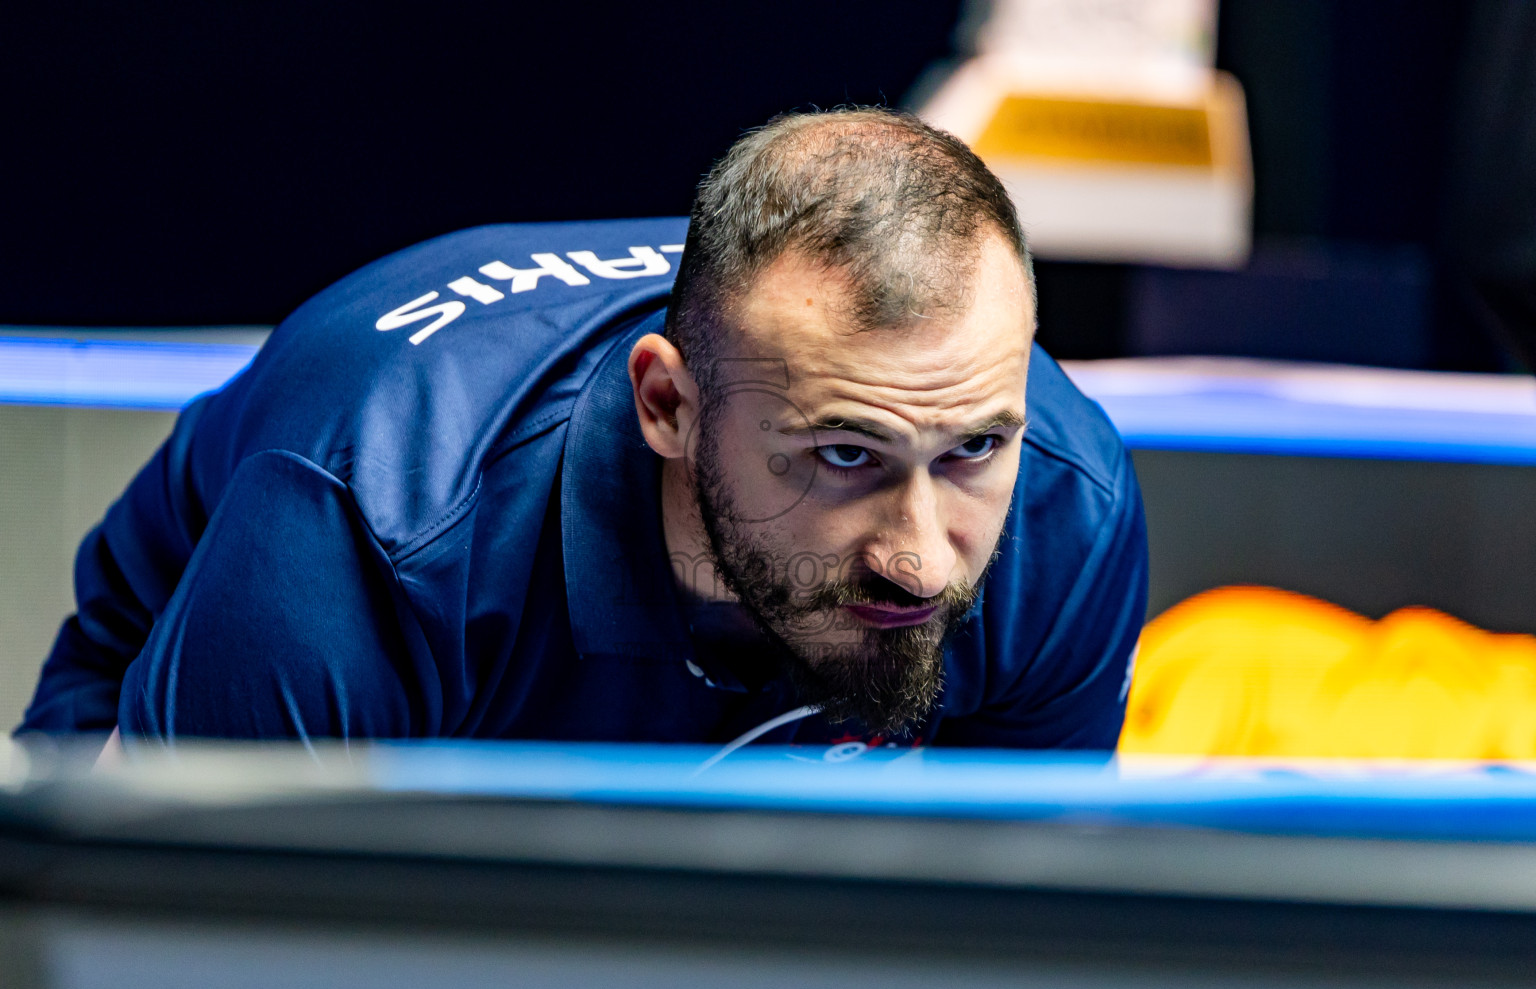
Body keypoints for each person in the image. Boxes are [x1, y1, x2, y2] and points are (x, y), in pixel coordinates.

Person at [21, 108, 1148, 751]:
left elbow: (985, 957)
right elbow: (197, 972)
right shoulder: (365, 538)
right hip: (255, 715)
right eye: (844, 454)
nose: (917, 549)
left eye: (971, 451)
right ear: (666, 404)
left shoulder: (1062, 509)